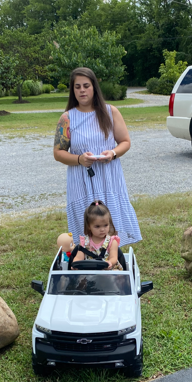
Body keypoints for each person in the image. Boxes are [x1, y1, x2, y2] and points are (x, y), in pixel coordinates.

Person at [53, 67, 142, 247]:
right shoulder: (67, 118)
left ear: (94, 87)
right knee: (85, 223)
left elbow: (125, 141)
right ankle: (87, 259)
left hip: (108, 176)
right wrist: (79, 159)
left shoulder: (110, 112)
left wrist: (113, 153)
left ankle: (113, 258)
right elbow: (58, 153)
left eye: (86, 85)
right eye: (77, 87)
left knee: (110, 220)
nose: (82, 90)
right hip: (81, 180)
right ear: (73, 90)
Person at [72, 200, 122, 270]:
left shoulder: (112, 242)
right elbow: (78, 257)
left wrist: (110, 262)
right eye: (97, 226)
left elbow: (114, 257)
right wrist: (75, 264)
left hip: (109, 273)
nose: (102, 229)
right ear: (89, 226)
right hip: (89, 273)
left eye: (105, 225)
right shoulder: (84, 242)